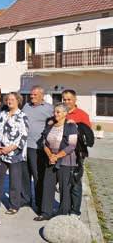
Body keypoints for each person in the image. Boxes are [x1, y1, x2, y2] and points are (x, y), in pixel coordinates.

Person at [34, 103, 78, 221]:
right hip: (50, 159)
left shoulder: (71, 126)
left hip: (65, 161)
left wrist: (57, 156)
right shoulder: (50, 125)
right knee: (47, 185)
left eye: (58, 112)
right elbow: (44, 142)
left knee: (64, 188)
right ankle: (45, 212)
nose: (55, 114)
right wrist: (50, 155)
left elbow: (72, 145)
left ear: (65, 113)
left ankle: (62, 214)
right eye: (55, 111)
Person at [0, 92, 29, 215]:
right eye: (8, 99)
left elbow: (24, 135)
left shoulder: (22, 116)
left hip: (15, 154)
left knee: (15, 181)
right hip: (0, 152)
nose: (9, 101)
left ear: (18, 101)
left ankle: (14, 205)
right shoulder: (2, 114)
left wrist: (10, 148)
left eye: (12, 99)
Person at [22, 85, 53, 214]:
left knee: (37, 176)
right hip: (24, 146)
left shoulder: (49, 108)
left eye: (34, 95)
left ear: (42, 95)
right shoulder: (26, 106)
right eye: (31, 94)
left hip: (38, 148)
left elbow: (56, 121)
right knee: (25, 175)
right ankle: (25, 200)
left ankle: (40, 204)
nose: (31, 96)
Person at [62, 89, 92, 218]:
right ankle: (65, 207)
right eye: (64, 99)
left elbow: (88, 137)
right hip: (62, 154)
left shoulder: (82, 114)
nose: (66, 101)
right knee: (64, 183)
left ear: (75, 100)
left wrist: (77, 126)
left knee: (75, 182)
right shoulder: (60, 112)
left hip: (76, 155)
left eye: (69, 99)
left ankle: (75, 211)